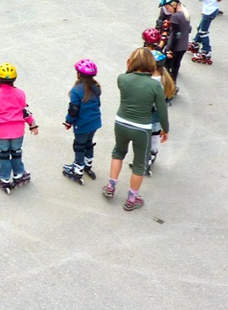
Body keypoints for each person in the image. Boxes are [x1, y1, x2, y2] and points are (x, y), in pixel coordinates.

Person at [102, 48, 169, 211]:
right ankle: (131, 199)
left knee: (118, 152)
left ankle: (111, 186)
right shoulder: (155, 86)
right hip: (142, 128)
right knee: (139, 164)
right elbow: (162, 111)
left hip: (121, 122)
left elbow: (129, 76)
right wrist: (165, 129)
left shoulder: (122, 79)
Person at [0, 63, 39, 190]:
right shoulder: (20, 93)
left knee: (4, 154)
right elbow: (25, 111)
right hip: (17, 132)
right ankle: (19, 174)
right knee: (16, 152)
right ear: (14, 79)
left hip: (1, 133)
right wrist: (32, 124)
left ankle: (4, 177)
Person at [62, 59, 101, 185]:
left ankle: (78, 169)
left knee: (79, 146)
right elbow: (98, 104)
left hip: (82, 124)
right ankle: (88, 165)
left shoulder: (76, 90)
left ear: (79, 74)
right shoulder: (96, 87)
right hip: (95, 122)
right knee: (89, 143)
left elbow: (74, 110)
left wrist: (68, 122)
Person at [144, 50, 176, 176]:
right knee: (154, 135)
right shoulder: (165, 78)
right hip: (157, 116)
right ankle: (152, 153)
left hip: (148, 114)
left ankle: (147, 158)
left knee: (147, 137)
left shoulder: (150, 80)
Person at [190, 0, 225, 65]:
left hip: (209, 12)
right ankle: (196, 42)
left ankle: (206, 51)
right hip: (210, 10)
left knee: (203, 32)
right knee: (200, 27)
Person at [159, 0, 191, 86]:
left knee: (167, 69)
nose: (167, 10)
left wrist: (170, 50)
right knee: (175, 67)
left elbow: (176, 35)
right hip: (183, 46)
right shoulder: (185, 11)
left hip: (175, 47)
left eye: (167, 7)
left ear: (173, 4)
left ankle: (167, 87)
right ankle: (173, 86)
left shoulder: (175, 16)